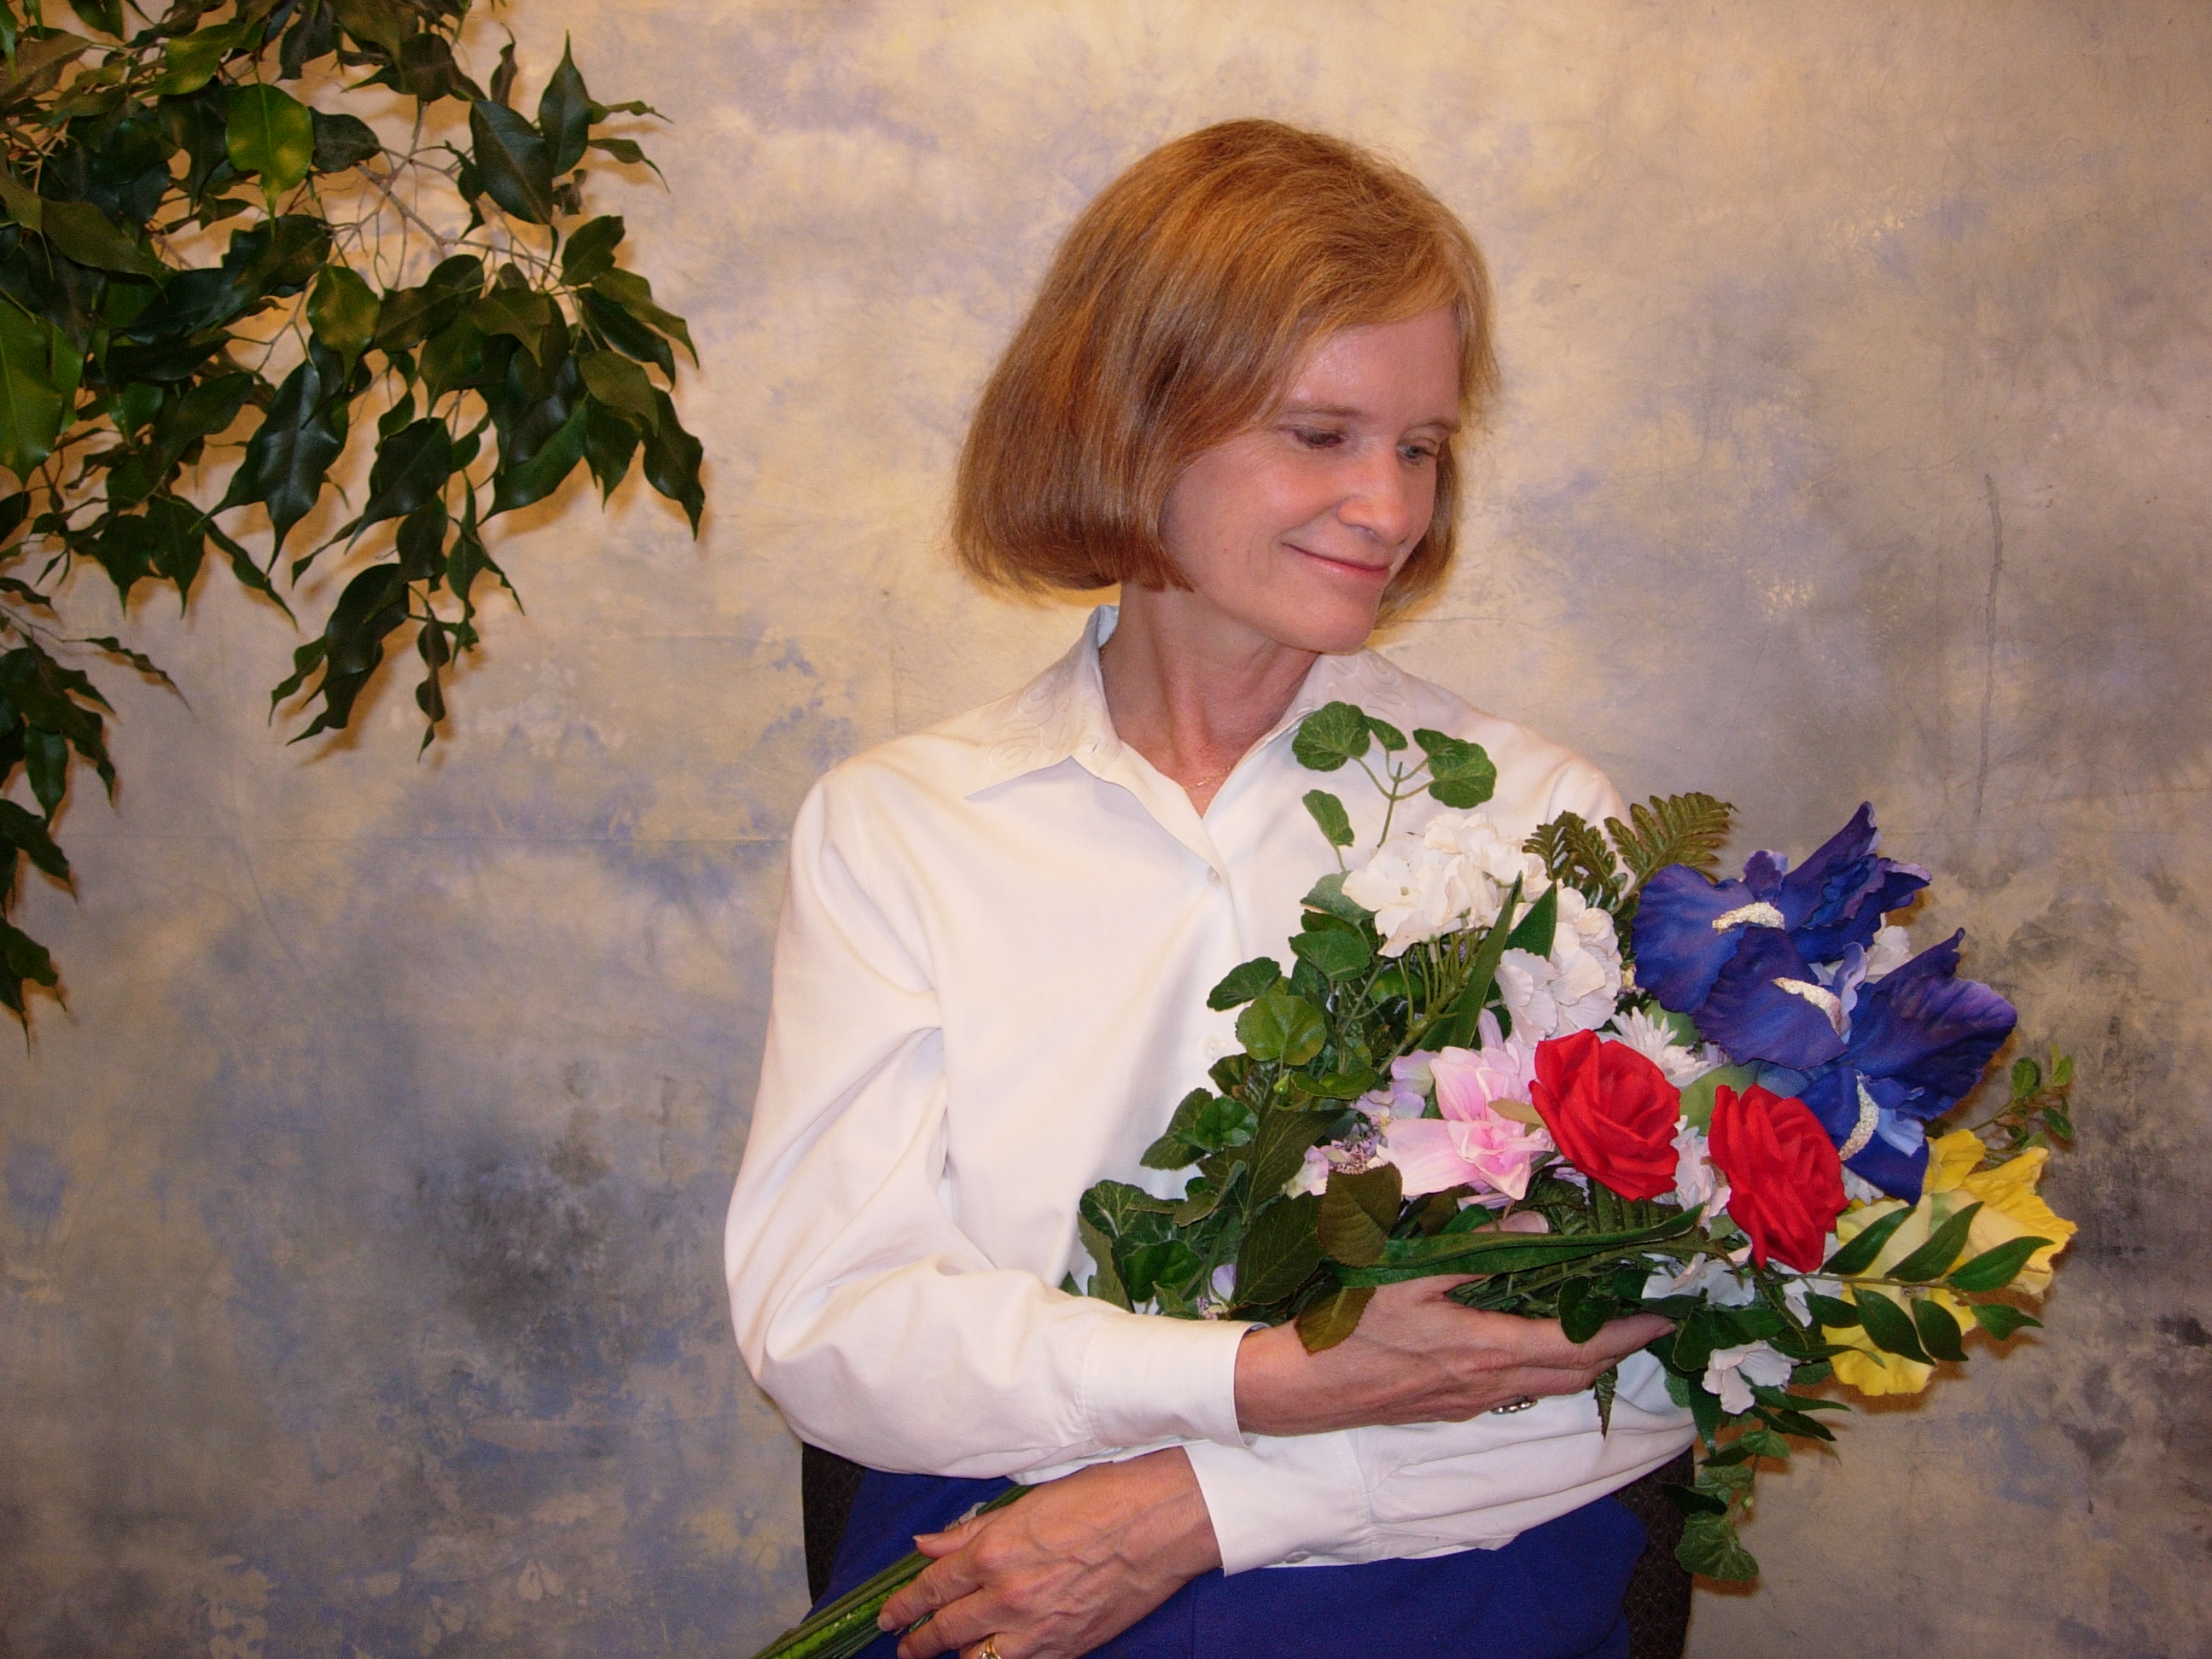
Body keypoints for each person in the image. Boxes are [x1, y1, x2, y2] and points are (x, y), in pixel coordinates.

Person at [726, 120, 1694, 1659]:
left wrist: (1203, 1504)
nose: (1390, 508)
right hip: (1009, 1566)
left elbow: (1662, 1348)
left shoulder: (1539, 823)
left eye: (1421, 447)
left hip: (1442, 1579)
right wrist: (1257, 1382)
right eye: (1321, 434)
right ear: (1129, 422)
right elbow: (832, 1326)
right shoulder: (900, 831)